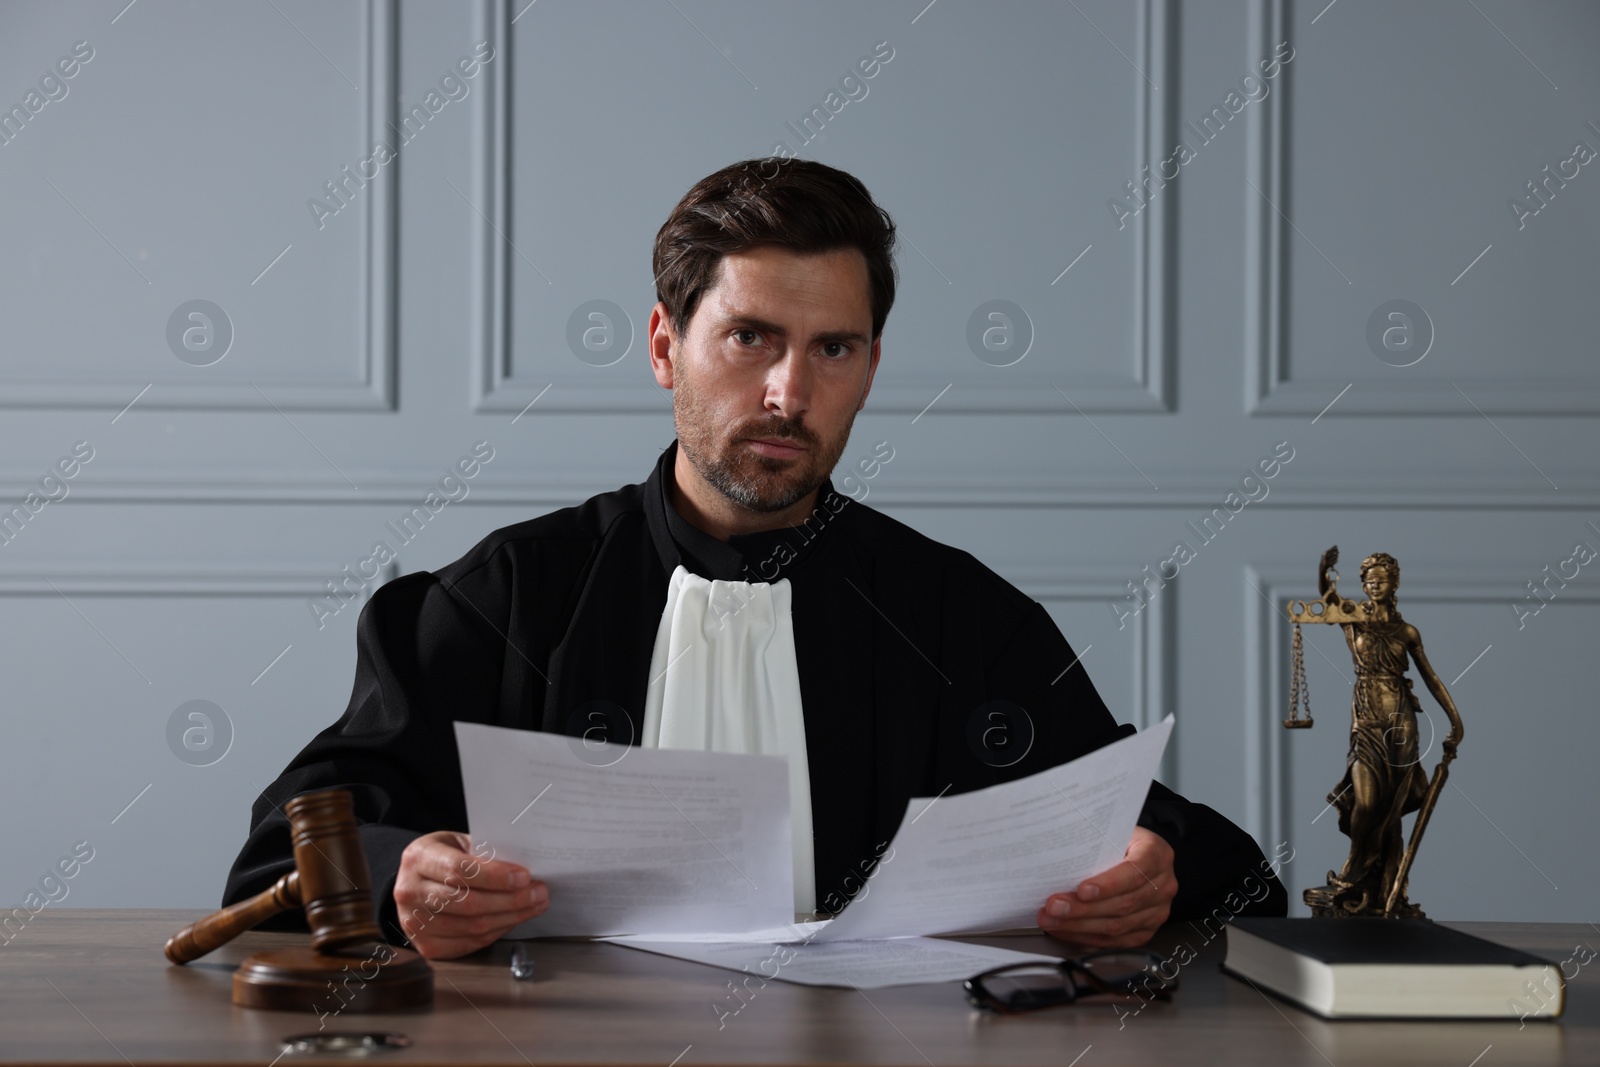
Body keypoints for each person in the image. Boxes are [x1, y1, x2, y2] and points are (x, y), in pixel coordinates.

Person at [224, 158, 1286, 960]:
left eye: (834, 347)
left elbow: (1212, 867)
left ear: (872, 365)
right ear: (661, 345)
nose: (789, 392)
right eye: (749, 338)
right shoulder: (505, 595)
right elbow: (287, 847)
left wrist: (1155, 873)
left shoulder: (963, 619)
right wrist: (401, 874)